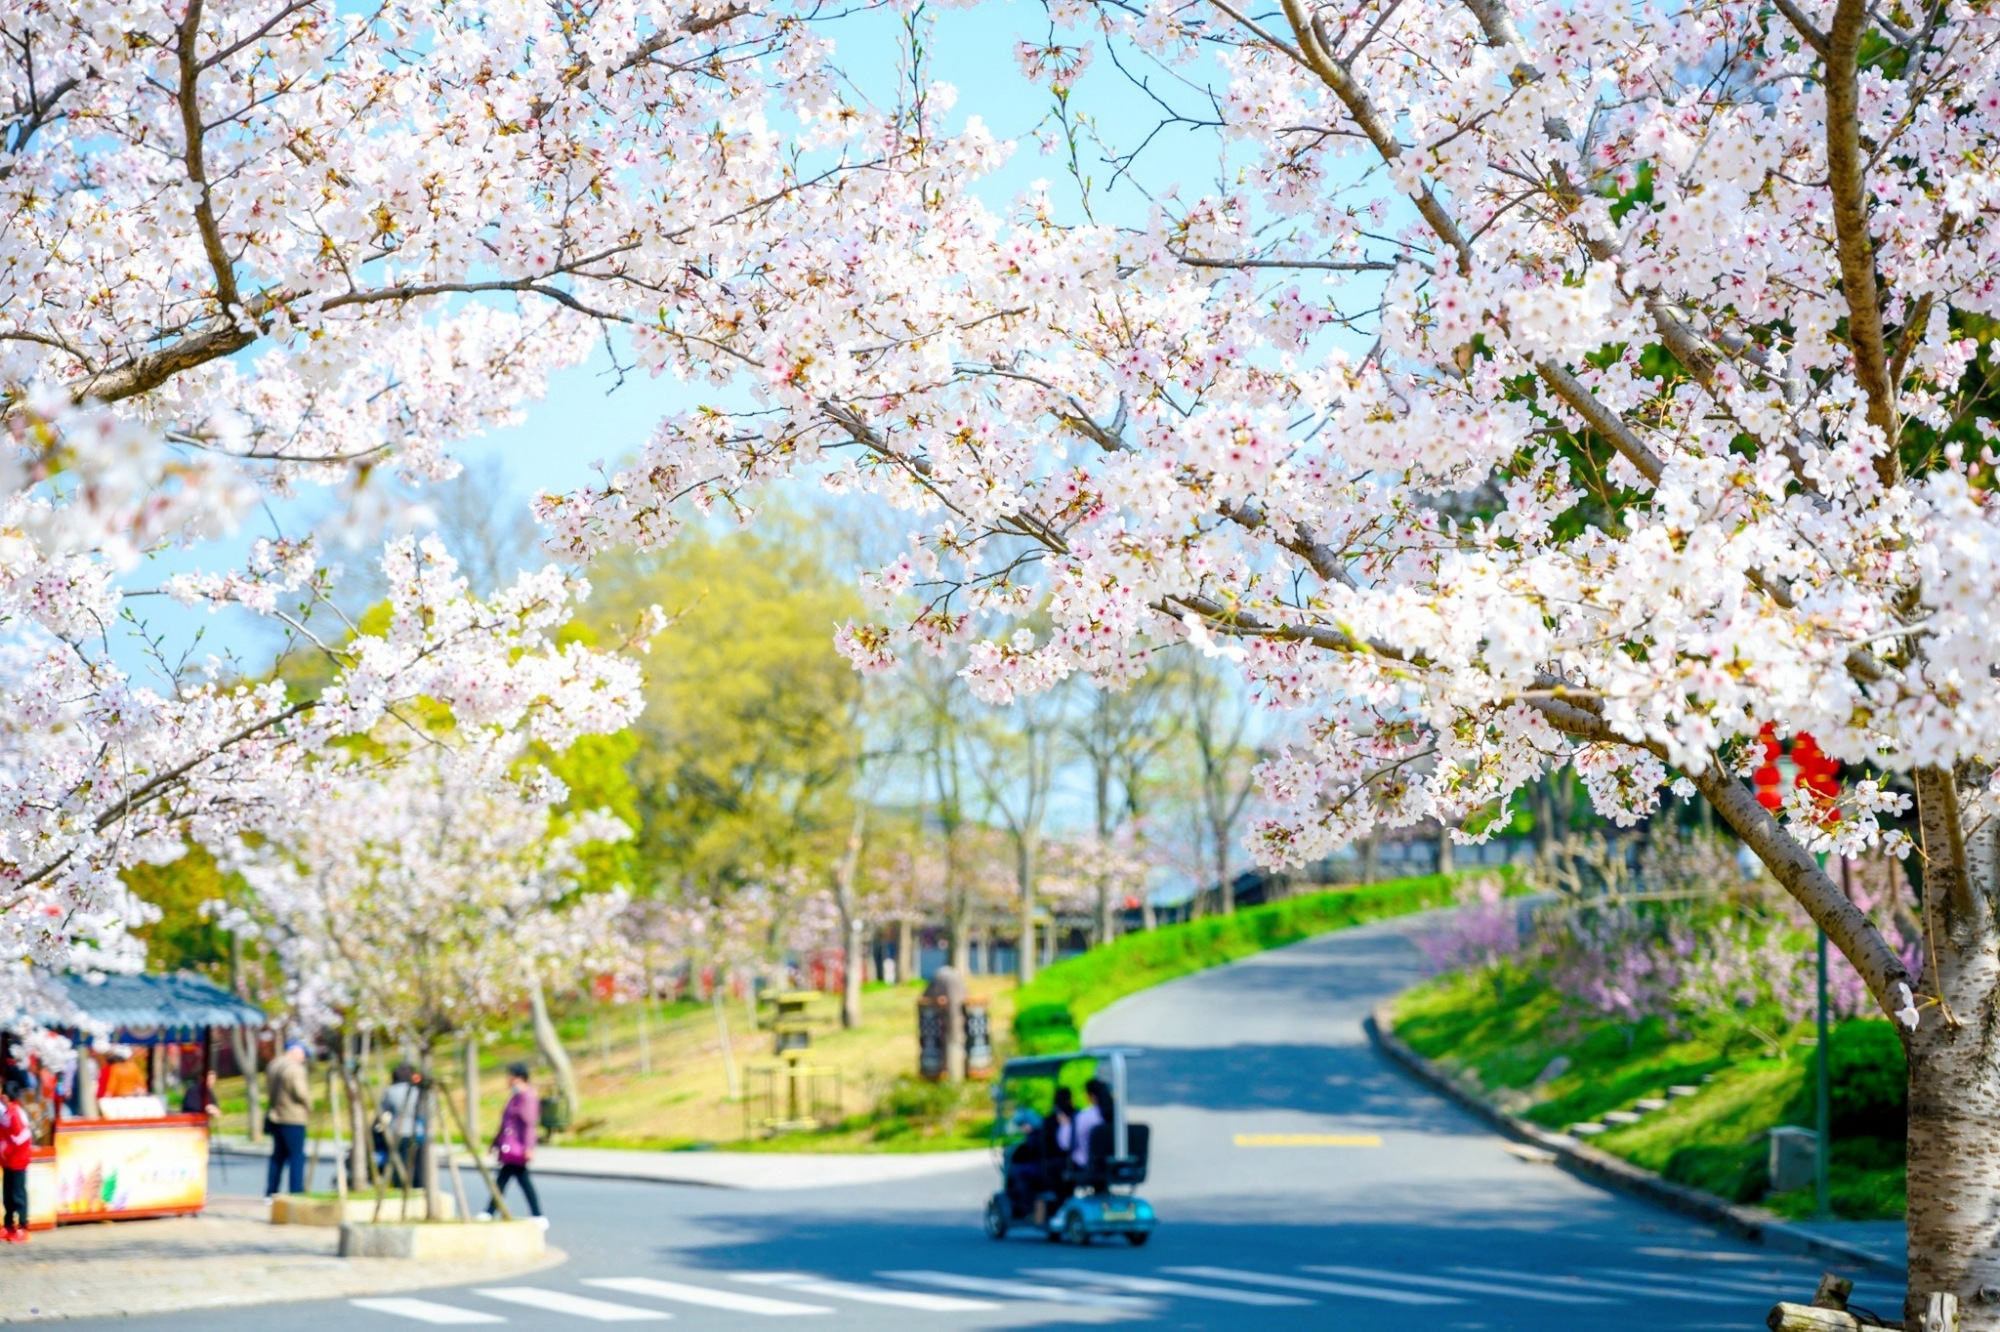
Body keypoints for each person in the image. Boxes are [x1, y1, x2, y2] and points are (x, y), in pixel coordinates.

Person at [484, 1063, 544, 1224]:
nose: (507, 1079)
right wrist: (495, 1143)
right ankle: (537, 1214)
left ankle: (489, 1212)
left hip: (518, 1147)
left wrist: (529, 1147)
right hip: (512, 1146)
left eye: (509, 1075)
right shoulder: (516, 1096)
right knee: (513, 1180)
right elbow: (505, 1123)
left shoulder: (527, 1097)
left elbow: (529, 1124)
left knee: (507, 1180)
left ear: (518, 1077)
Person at [264, 1040, 312, 1196]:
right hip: (293, 1117)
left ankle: (271, 1192)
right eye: (303, 1055)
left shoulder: (273, 1066)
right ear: (296, 1051)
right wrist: (309, 1105)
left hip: (275, 1116)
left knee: (277, 1156)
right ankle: (296, 1191)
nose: (303, 1059)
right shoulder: (295, 1069)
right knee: (297, 1157)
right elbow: (300, 1093)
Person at [375, 1063, 425, 1188]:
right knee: (416, 1161)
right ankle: (416, 1184)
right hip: (417, 1131)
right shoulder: (418, 1091)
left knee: (398, 1160)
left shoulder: (390, 1091)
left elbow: (383, 1110)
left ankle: (400, 1184)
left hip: (396, 1129)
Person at [2, 1075, 33, 1243]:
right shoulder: (8, 1112)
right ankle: (9, 1225)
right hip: (8, 1160)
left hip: (18, 1161)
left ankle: (23, 1227)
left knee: (18, 1194)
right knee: (8, 1194)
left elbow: (22, 1135)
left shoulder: (15, 1112)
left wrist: (8, 1147)